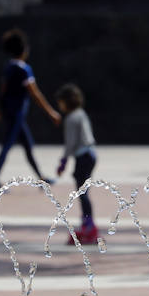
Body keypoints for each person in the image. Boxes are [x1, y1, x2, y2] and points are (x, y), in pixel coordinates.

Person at [0, 29, 60, 188]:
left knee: (28, 146)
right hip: (17, 114)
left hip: (10, 113)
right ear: (23, 50)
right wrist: (51, 113)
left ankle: (41, 178)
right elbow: (36, 94)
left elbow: (3, 93)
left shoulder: (9, 68)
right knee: (7, 146)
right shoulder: (23, 69)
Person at [55, 83, 98, 244]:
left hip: (83, 156)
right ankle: (87, 223)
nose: (59, 106)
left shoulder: (71, 118)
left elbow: (70, 143)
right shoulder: (81, 113)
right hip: (91, 154)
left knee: (82, 192)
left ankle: (89, 226)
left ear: (67, 101)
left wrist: (63, 162)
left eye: (60, 102)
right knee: (83, 191)